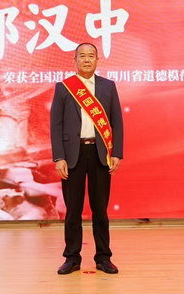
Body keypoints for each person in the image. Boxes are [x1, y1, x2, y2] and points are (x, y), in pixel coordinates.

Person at [50, 42, 124, 274]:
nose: (86, 60)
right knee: (73, 210)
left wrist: (116, 153)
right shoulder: (64, 87)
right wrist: (58, 157)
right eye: (82, 56)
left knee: (100, 209)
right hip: (73, 155)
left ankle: (103, 257)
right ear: (75, 60)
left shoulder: (108, 87)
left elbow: (117, 122)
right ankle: (72, 258)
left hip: (100, 153)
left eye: (91, 56)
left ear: (97, 60)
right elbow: (55, 125)